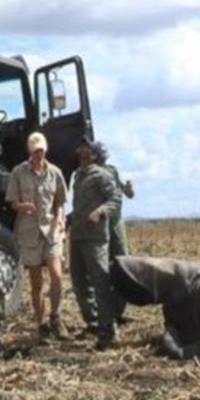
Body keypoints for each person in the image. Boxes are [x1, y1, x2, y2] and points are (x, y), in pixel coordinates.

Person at [6, 131, 68, 340]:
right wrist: (22, 206)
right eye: (35, 151)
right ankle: (41, 324)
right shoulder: (18, 173)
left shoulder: (55, 173)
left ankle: (56, 316)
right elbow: (13, 203)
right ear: (30, 152)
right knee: (36, 283)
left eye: (41, 150)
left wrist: (59, 219)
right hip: (29, 232)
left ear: (45, 150)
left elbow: (60, 201)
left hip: (51, 231)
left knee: (57, 275)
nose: (39, 155)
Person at [69, 136, 122, 349]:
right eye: (81, 147)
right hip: (78, 236)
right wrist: (68, 219)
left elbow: (115, 199)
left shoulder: (102, 175)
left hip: (96, 238)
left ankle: (107, 331)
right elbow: (80, 206)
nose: (82, 151)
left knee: (100, 282)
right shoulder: (77, 176)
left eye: (87, 148)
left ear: (93, 154)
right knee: (80, 283)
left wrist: (100, 212)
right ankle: (93, 323)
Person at [91, 141, 134, 321]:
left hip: (115, 223)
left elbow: (127, 194)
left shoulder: (112, 171)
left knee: (121, 263)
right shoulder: (89, 174)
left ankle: (118, 311)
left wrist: (129, 189)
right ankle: (105, 313)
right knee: (102, 269)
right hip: (100, 225)